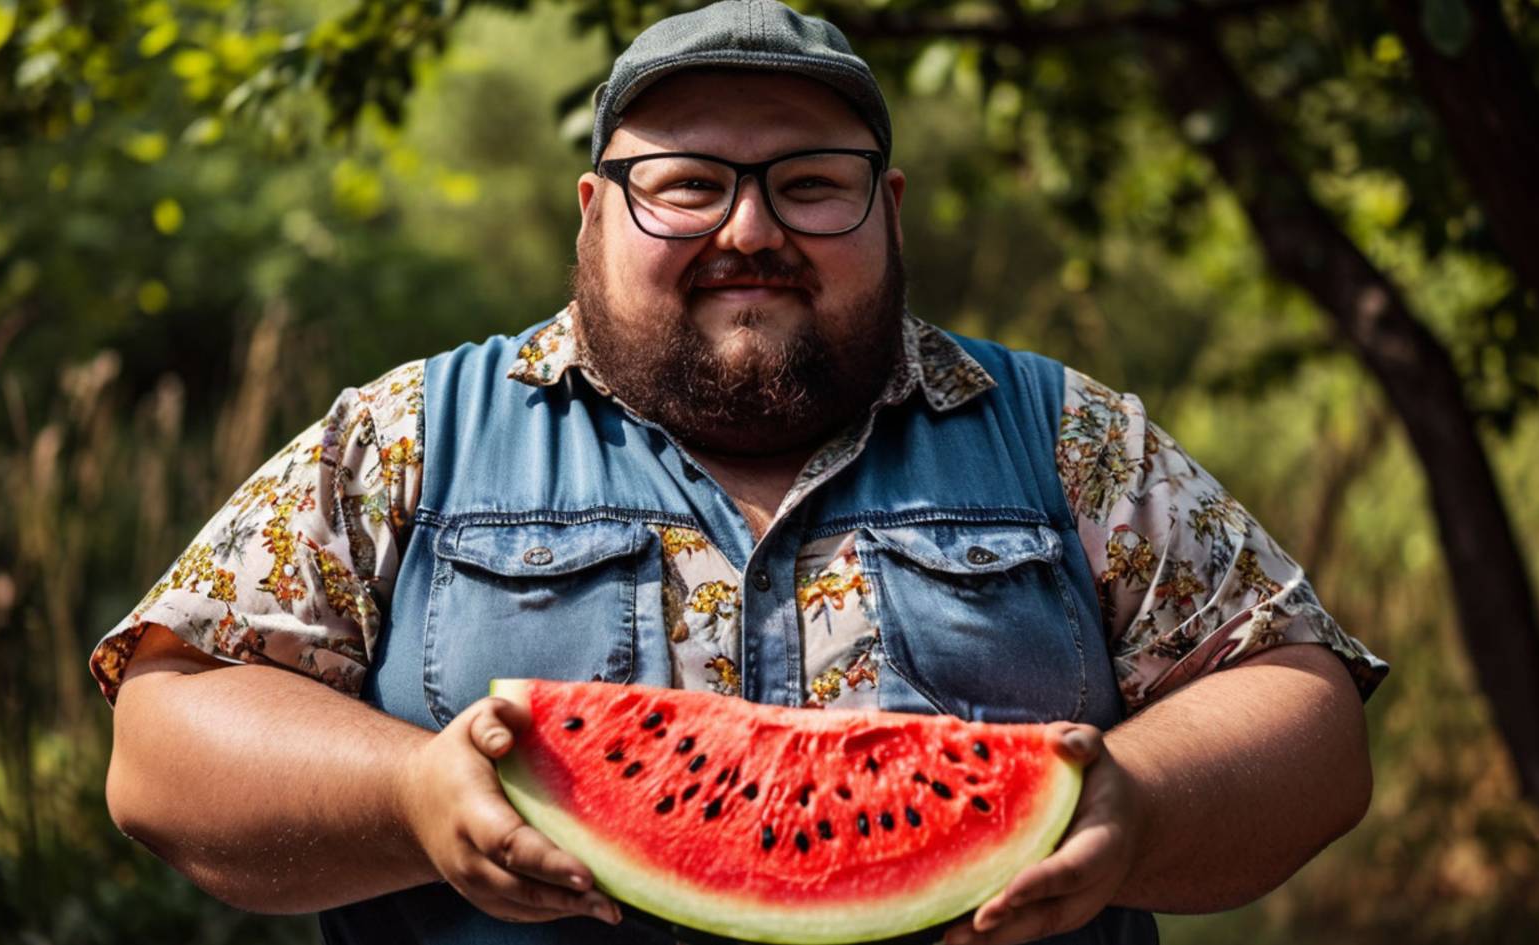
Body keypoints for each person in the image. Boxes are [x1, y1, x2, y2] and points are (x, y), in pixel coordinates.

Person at [92, 2, 1388, 943]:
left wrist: (1142, 808)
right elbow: (163, 735)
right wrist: (408, 792)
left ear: (887, 210)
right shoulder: (404, 436)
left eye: (810, 186)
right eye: (690, 184)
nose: (751, 229)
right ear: (595, 213)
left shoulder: (1069, 437)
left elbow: (1308, 712)